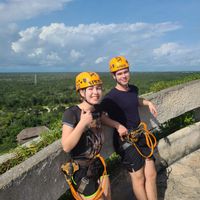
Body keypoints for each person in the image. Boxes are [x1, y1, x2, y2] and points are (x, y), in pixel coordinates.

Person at [61, 72, 127, 200]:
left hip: (97, 163)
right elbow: (66, 146)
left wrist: (117, 125)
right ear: (81, 92)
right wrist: (82, 123)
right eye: (90, 89)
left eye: (98, 88)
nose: (95, 92)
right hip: (81, 170)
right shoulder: (71, 113)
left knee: (108, 197)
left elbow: (101, 118)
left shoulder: (96, 109)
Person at [100, 56, 158, 200]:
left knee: (151, 174)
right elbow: (100, 116)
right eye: (119, 73)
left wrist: (147, 102)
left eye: (125, 72)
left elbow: (133, 101)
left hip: (140, 133)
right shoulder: (110, 98)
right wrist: (117, 125)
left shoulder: (133, 89)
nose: (124, 76)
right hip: (125, 140)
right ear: (114, 76)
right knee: (139, 178)